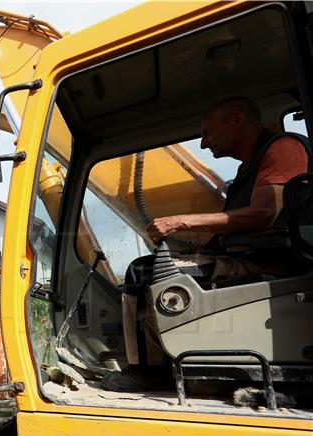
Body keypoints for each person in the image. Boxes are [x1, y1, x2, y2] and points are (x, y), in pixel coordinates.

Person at [102, 96, 311, 392]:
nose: (203, 144)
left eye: (207, 133)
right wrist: (199, 251)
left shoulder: (283, 148)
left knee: (142, 272)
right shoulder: (248, 170)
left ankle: (147, 369)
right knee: (154, 267)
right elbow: (237, 225)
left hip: (275, 264)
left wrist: (181, 222)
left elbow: (265, 215)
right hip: (253, 256)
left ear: (236, 119)